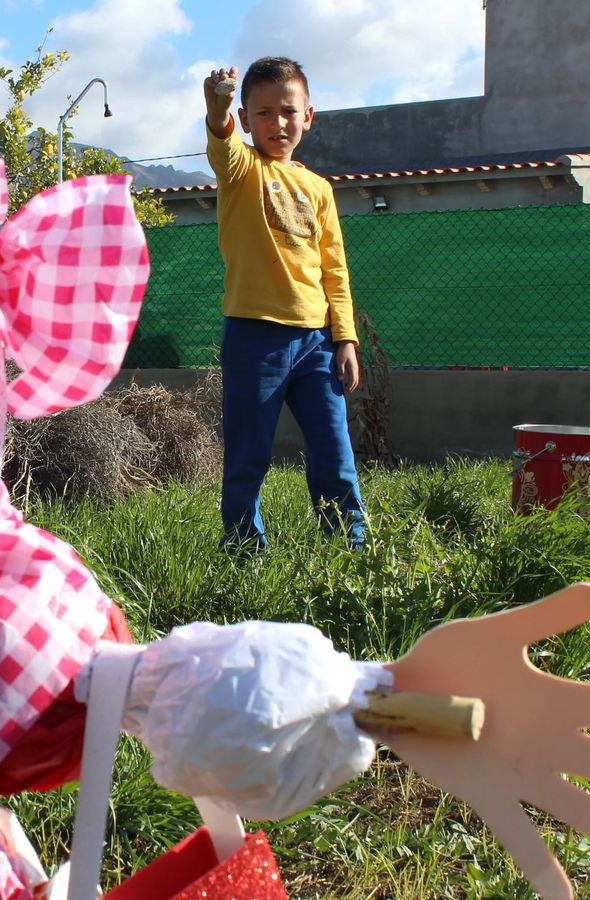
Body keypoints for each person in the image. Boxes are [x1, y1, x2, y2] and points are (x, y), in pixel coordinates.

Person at [204, 56, 367, 551]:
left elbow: (334, 268)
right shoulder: (240, 169)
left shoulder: (319, 189)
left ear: (308, 116)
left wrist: (345, 337)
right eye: (264, 113)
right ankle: (243, 552)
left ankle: (350, 549)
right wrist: (218, 107)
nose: (278, 123)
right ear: (248, 120)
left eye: (288, 112)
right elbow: (222, 141)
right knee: (248, 456)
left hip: (317, 343)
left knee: (334, 454)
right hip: (255, 338)